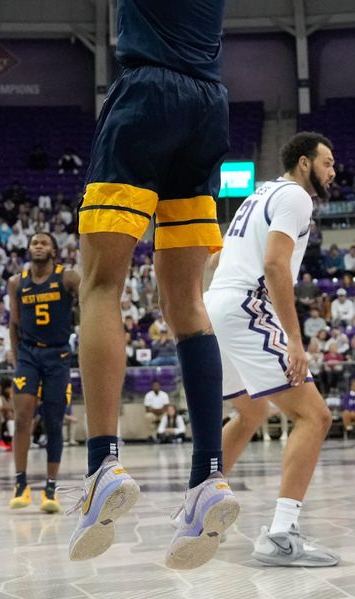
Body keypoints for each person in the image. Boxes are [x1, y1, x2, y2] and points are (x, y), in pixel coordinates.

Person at [70, 0, 237, 571]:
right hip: (209, 101)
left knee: (100, 285)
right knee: (187, 301)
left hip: (147, 93)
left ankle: (102, 464)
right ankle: (208, 478)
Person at [207, 132, 340, 567]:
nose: (332, 171)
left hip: (218, 304)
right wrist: (295, 342)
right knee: (315, 416)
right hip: (247, 303)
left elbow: (216, 258)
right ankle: (282, 535)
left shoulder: (259, 193)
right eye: (327, 163)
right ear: (304, 163)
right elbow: (274, 266)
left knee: (250, 413)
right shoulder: (297, 198)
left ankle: (199, 510)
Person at [7, 232, 80, 514]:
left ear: (54, 250)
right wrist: (16, 358)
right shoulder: (16, 282)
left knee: (53, 421)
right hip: (28, 355)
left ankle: (51, 488)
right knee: (22, 417)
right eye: (34, 242)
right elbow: (14, 324)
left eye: (44, 243)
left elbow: (89, 295)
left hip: (58, 355)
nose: (38, 246)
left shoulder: (68, 278)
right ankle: (21, 484)